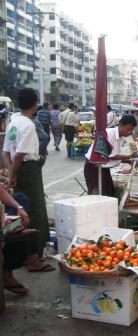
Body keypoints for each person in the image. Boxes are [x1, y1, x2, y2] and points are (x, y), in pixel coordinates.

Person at [2, 88, 52, 262]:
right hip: (28, 169)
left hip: (17, 169)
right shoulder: (29, 125)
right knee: (35, 211)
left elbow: (6, 153)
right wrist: (12, 174)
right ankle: (33, 256)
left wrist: (10, 173)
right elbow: (20, 155)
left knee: (20, 206)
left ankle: (24, 255)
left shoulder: (13, 122)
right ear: (35, 104)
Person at [84, 115, 137, 197]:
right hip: (93, 167)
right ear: (121, 125)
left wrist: (128, 160)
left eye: (132, 130)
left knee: (108, 192)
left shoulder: (121, 137)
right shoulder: (109, 134)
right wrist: (128, 157)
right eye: (128, 129)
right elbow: (110, 155)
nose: (130, 132)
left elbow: (114, 154)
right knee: (98, 195)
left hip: (103, 168)